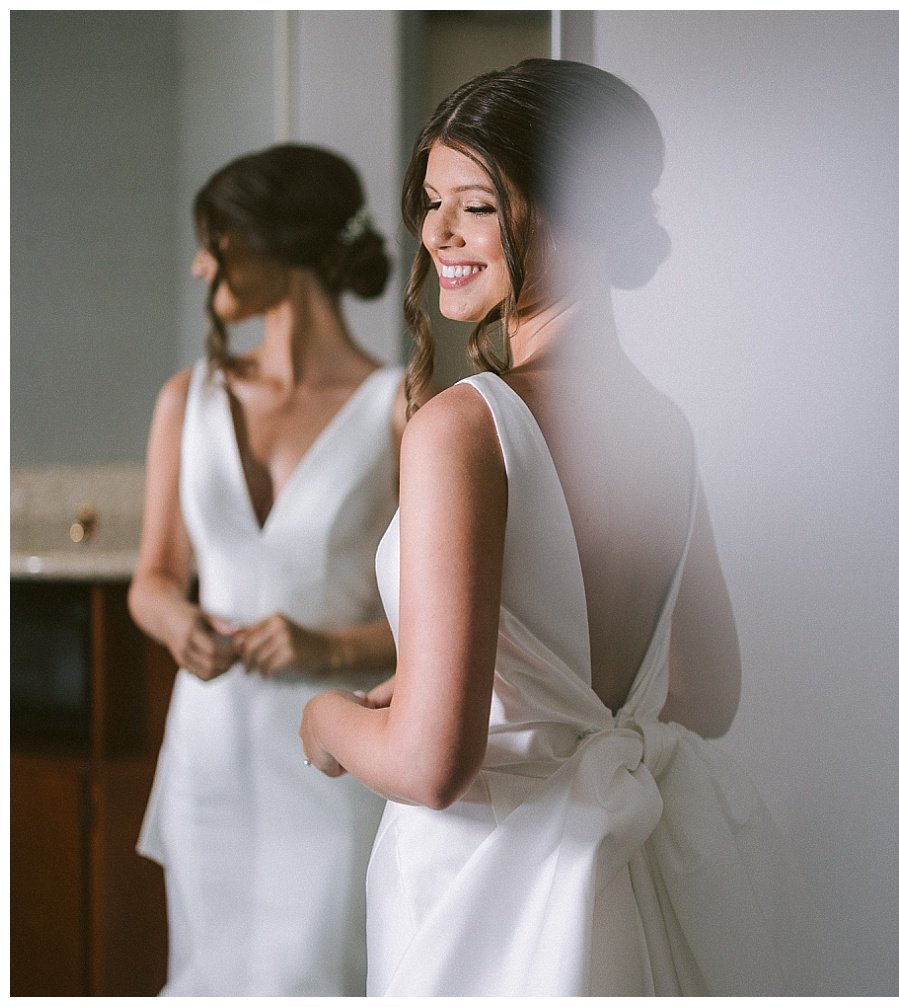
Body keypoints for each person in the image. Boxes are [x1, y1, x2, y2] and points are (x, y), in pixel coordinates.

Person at [299, 60, 812, 995]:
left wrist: (325, 720)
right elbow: (710, 694)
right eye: (430, 201)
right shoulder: (665, 425)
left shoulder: (465, 427)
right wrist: (509, 703)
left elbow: (430, 763)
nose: (437, 233)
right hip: (636, 874)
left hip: (490, 895)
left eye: (477, 207)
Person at [129, 144, 405, 995]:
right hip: (207, 761)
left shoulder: (400, 409)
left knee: (316, 976)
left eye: (216, 239)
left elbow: (443, 631)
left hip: (333, 764)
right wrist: (180, 623)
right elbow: (153, 578)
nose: (200, 262)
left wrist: (322, 649)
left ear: (273, 240)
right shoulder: (188, 397)